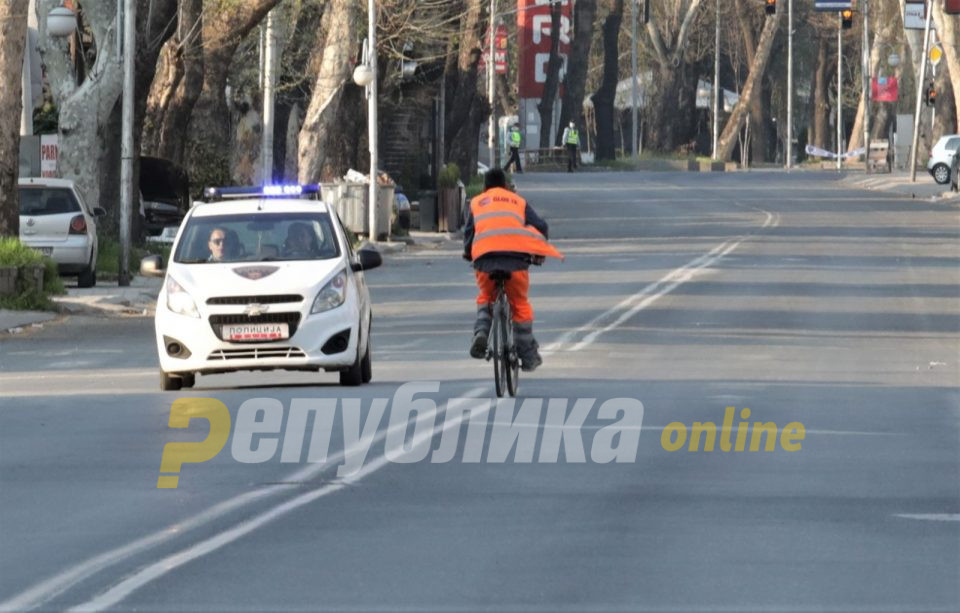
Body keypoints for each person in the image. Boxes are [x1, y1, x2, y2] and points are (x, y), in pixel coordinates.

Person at [462, 168, 563, 372]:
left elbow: (468, 234)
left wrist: (469, 254)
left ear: (484, 187)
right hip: (516, 262)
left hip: (485, 262)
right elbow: (541, 226)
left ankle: (482, 331)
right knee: (519, 305)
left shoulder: (476, 203)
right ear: (506, 186)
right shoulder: (518, 202)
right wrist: (538, 251)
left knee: (486, 298)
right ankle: (527, 355)